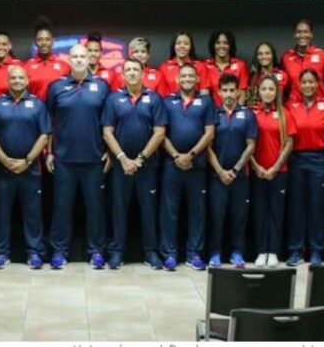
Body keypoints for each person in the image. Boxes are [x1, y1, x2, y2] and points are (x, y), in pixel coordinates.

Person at [46, 44, 111, 269]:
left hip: (94, 159)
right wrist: (49, 152)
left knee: (96, 209)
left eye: (83, 56)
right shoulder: (56, 87)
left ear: (90, 58)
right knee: (61, 208)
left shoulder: (102, 86)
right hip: (64, 159)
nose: (80, 60)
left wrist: (110, 152)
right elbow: (48, 122)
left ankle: (96, 252)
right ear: (68, 59)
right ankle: (59, 252)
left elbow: (109, 123)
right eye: (75, 56)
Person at [102, 58, 166, 269]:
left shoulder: (154, 99)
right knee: (118, 209)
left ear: (142, 73)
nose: (131, 73)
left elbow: (159, 133)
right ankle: (117, 252)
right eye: (127, 70)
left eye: (135, 70)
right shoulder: (113, 99)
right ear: (122, 74)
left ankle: (151, 252)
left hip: (147, 166)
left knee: (149, 210)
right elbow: (107, 132)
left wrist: (139, 160)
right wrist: (122, 158)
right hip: (121, 166)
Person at [0, 66, 51, 269]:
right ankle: (1, 253)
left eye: (20, 77)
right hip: (3, 169)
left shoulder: (38, 105)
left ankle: (34, 252)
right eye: (13, 78)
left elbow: (45, 134)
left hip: (30, 169)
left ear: (27, 80)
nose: (16, 81)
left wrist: (28, 160)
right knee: (2, 213)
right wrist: (4, 160)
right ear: (8, 81)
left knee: (33, 213)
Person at [159, 63, 215, 271]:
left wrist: (190, 155)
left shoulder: (206, 102)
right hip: (172, 164)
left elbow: (209, 133)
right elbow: (161, 133)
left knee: (197, 211)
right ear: (177, 79)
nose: (188, 79)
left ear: (198, 79)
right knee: (169, 211)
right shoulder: (167, 102)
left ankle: (194, 254)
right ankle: (170, 254)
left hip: (197, 164)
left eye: (191, 76)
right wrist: (176, 156)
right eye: (184, 76)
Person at [207, 73, 256, 269]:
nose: (228, 94)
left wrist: (235, 170)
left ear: (238, 92)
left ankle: (237, 253)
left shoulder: (247, 114)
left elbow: (251, 145)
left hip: (239, 177)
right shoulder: (213, 114)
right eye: (225, 90)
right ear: (218, 92)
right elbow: (208, 145)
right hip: (216, 176)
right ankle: (215, 253)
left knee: (239, 216)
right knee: (216, 216)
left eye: (232, 90)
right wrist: (220, 171)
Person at [285, 69, 324, 267]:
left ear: (317, 84)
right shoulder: (290, 106)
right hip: (296, 158)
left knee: (317, 207)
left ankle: (316, 251)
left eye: (311, 82)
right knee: (296, 207)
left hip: (319, 159)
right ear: (299, 85)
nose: (307, 86)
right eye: (304, 82)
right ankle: (296, 250)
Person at [251, 75, 295, 268]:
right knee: (260, 212)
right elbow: (248, 145)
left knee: (276, 212)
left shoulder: (285, 114)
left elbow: (289, 143)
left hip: (279, 172)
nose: (267, 92)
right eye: (264, 89)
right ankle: (261, 250)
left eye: (271, 89)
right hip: (257, 172)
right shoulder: (253, 114)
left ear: (277, 92)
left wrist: (276, 167)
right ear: (258, 92)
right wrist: (256, 167)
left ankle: (273, 251)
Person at [281, 19, 324, 102]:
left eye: (306, 32)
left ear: (311, 34)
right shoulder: (286, 58)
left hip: (319, 107)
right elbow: (283, 87)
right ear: (294, 35)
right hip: (294, 107)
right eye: (299, 32)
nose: (302, 35)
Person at [24, 19, 70, 101]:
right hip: (35, 111)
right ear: (35, 42)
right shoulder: (26, 67)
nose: (44, 43)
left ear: (53, 41)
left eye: (47, 39)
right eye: (40, 40)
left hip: (57, 112)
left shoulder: (65, 67)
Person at [158, 32, 211, 97]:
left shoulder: (201, 66)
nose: (182, 46)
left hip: (195, 106)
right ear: (174, 46)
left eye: (186, 44)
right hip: (170, 106)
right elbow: (162, 95)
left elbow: (204, 95)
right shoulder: (164, 67)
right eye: (178, 43)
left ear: (191, 46)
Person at [204, 30, 249, 107]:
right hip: (213, 113)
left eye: (226, 43)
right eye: (218, 43)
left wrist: (234, 114)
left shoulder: (240, 65)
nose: (222, 46)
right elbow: (204, 95)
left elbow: (242, 94)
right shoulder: (205, 65)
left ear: (230, 45)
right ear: (213, 45)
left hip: (233, 112)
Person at [246, 41, 288, 106]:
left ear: (273, 55)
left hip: (278, 112)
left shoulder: (282, 75)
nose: (264, 56)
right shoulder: (253, 77)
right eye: (260, 54)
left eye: (267, 53)